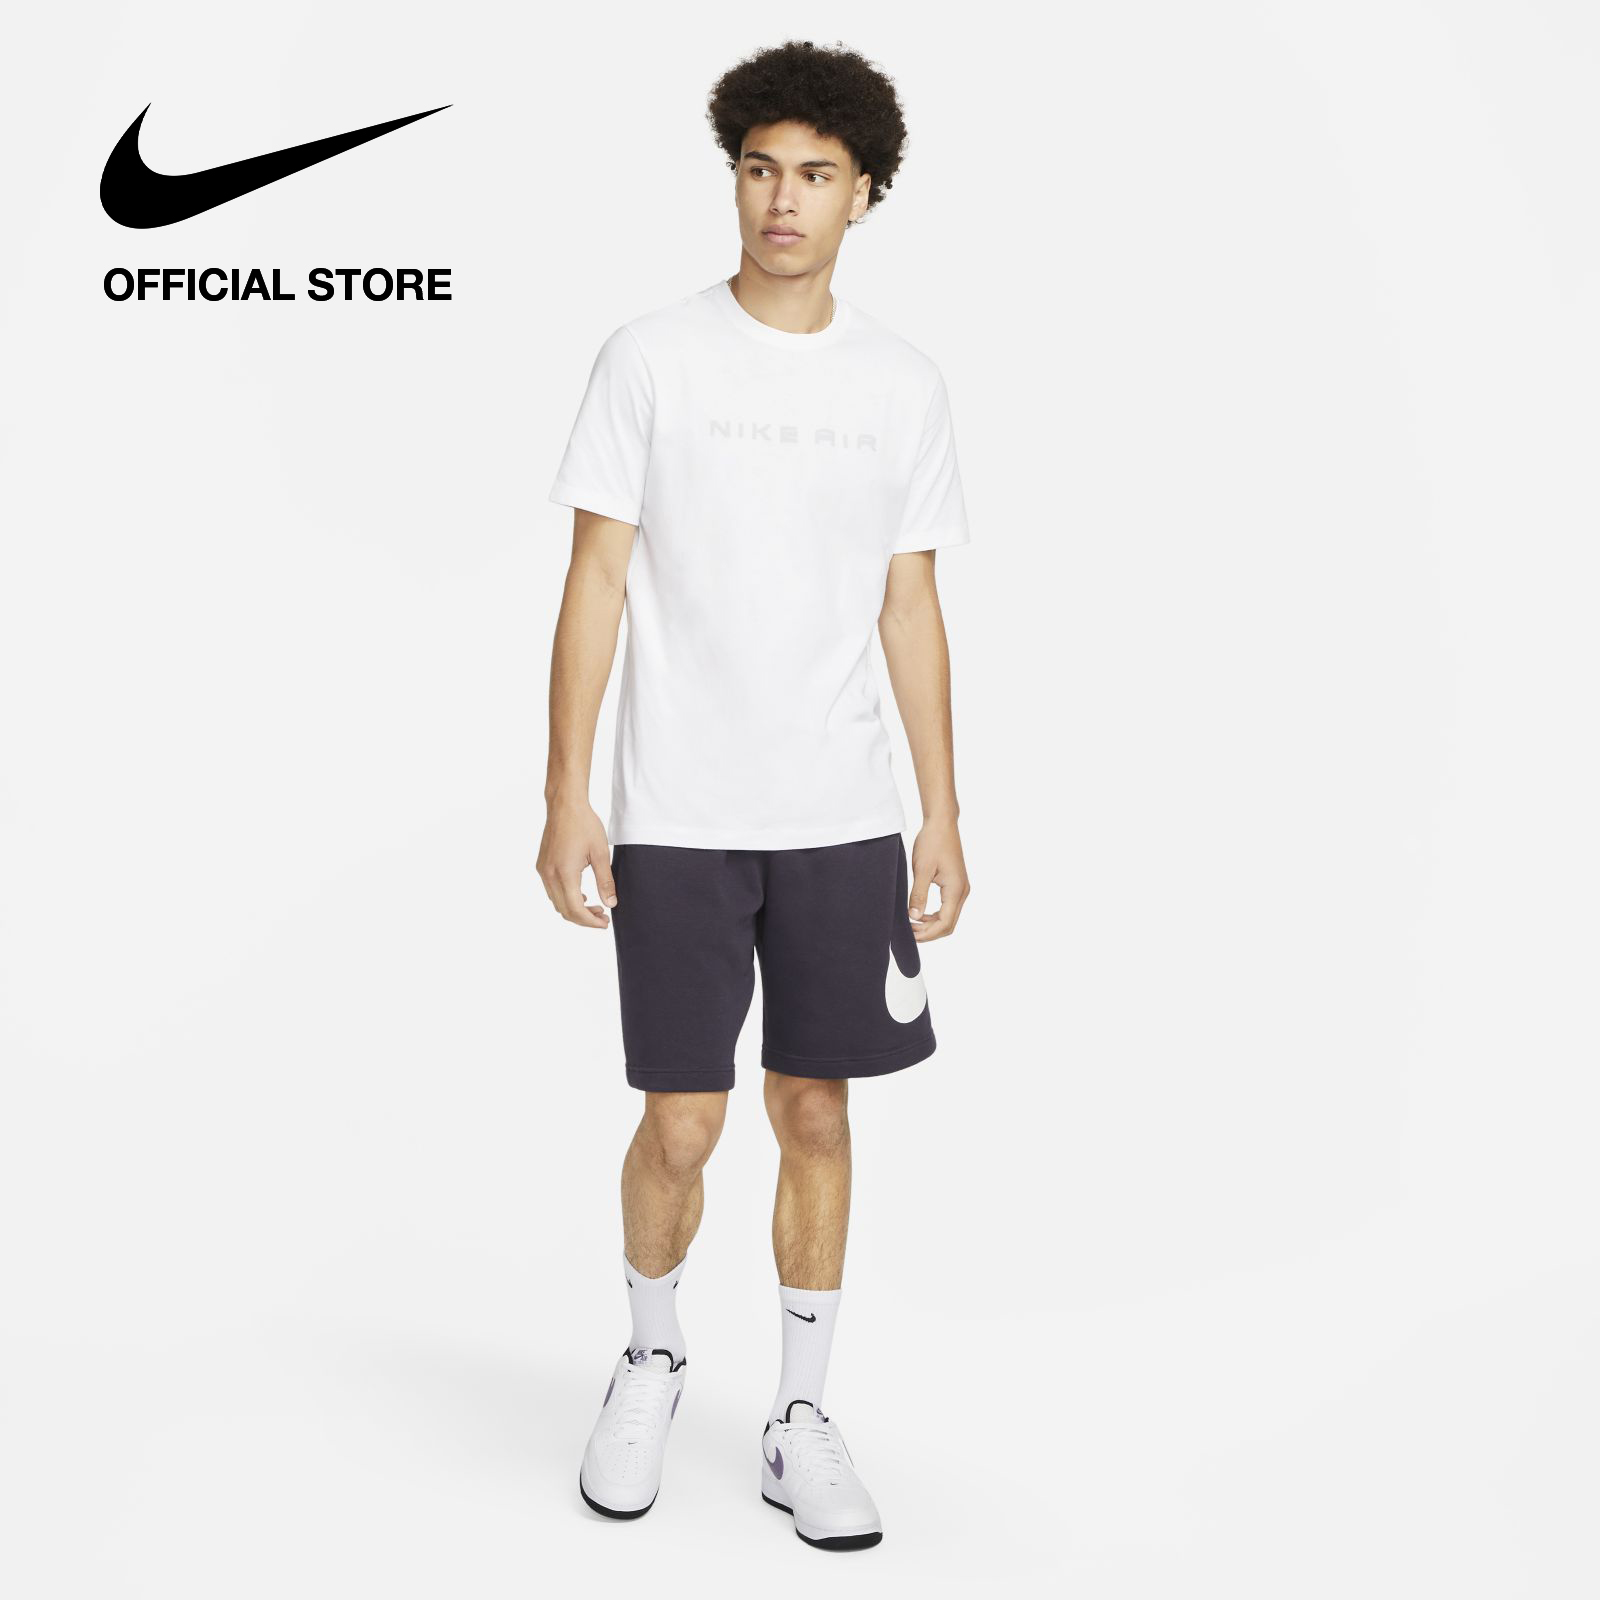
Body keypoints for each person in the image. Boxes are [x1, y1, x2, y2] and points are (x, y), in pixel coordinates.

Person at [539, 38, 971, 1552]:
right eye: (760, 169)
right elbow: (596, 582)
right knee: (681, 1121)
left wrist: (942, 810)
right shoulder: (650, 359)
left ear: (865, 195)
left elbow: (909, 606)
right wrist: (567, 793)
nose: (783, 199)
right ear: (735, 179)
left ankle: (799, 1415)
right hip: (677, 811)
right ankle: (652, 1359)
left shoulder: (901, 385)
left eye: (816, 176)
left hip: (842, 816)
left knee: (816, 1110)